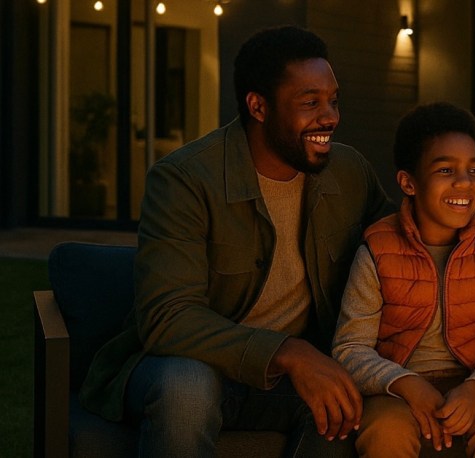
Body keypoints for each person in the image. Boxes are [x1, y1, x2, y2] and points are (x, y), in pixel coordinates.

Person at [78, 25, 393, 457]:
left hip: (288, 380)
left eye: (333, 100)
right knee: (187, 388)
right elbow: (168, 318)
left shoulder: (349, 173)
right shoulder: (185, 180)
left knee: (340, 396)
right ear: (258, 106)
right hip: (188, 368)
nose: (331, 116)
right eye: (310, 102)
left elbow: (400, 248)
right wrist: (288, 352)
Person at [332, 102, 475, 457]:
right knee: (386, 431)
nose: (464, 183)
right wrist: (405, 384)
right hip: (396, 388)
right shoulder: (377, 250)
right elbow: (350, 349)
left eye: (474, 170)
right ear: (408, 183)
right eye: (446, 170)